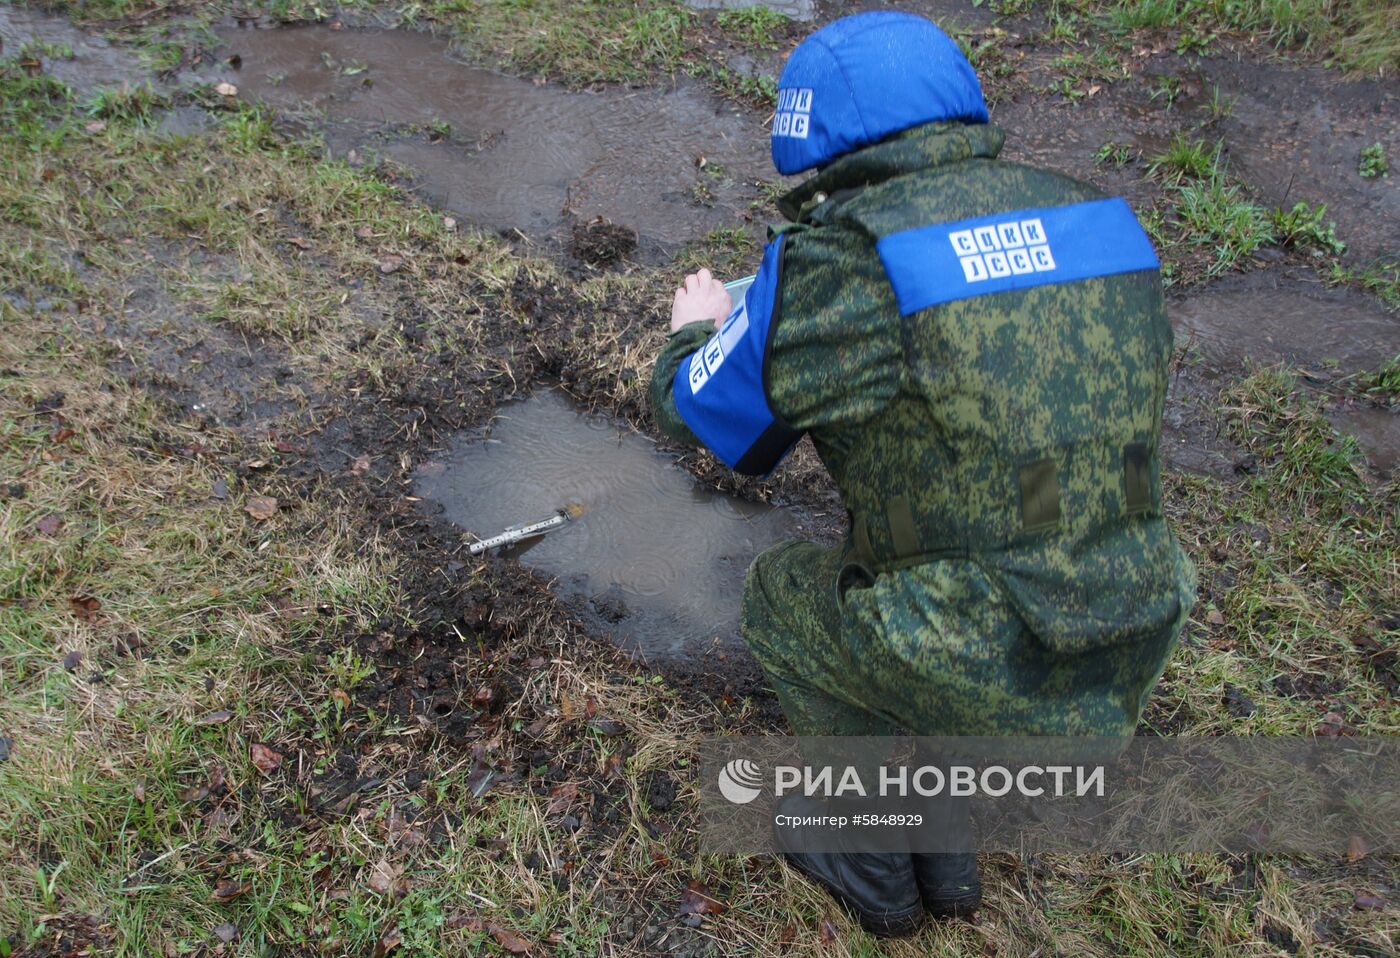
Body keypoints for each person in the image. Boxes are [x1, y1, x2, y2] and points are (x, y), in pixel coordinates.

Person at [649, 11, 1196, 938]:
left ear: (818, 142)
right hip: (1133, 632)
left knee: (786, 595)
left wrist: (698, 327)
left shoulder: (851, 260)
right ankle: (940, 835)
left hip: (996, 656)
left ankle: (871, 846)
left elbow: (705, 413)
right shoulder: (1098, 216)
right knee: (957, 536)